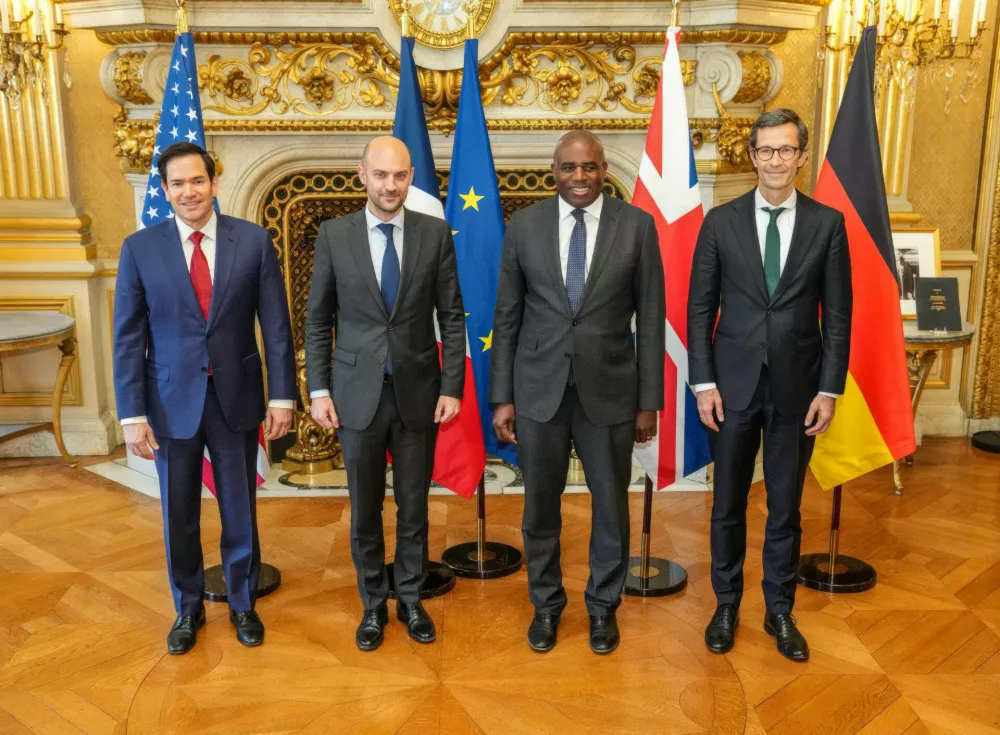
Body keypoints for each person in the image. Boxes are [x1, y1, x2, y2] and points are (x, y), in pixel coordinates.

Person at [113, 142, 296, 654]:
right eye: (178, 184)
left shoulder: (254, 242)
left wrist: (283, 397)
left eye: (197, 181)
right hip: (170, 402)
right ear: (165, 190)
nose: (189, 191)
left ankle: (242, 604)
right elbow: (127, 336)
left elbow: (276, 328)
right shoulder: (140, 248)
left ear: (214, 182)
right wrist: (132, 414)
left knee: (240, 507)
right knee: (179, 514)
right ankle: (187, 609)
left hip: (236, 397)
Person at [490, 130, 665, 655]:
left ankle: (602, 608)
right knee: (540, 506)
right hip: (538, 391)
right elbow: (508, 315)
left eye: (589, 166)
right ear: (555, 171)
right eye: (569, 167)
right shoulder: (524, 225)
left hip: (610, 392)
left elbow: (651, 319)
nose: (580, 177)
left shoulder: (636, 227)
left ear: (604, 168)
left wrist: (648, 401)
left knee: (610, 506)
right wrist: (503, 396)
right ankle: (546, 606)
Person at [687, 108, 852, 662]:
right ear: (752, 156)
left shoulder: (828, 225)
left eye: (786, 150)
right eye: (765, 151)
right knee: (728, 503)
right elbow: (699, 309)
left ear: (802, 157)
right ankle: (726, 603)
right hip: (729, 389)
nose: (775, 160)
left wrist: (829, 390)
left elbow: (840, 316)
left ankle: (779, 609)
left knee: (784, 505)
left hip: (798, 393)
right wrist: (703, 382)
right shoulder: (720, 222)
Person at [305, 135, 465, 652]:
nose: (390, 185)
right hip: (355, 395)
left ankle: (411, 599)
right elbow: (317, 320)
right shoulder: (334, 235)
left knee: (414, 505)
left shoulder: (435, 234)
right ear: (362, 176)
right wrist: (319, 388)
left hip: (420, 392)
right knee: (366, 507)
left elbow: (453, 316)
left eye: (399, 176)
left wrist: (453, 385)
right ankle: (373, 603)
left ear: (411, 177)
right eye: (380, 175)